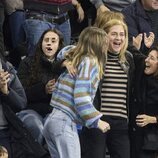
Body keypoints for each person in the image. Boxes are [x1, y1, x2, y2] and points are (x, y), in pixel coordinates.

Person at [43, 26, 110, 158]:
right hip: (64, 123)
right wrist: (96, 121)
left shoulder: (75, 59)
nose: (106, 48)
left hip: (51, 122)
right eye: (105, 43)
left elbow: (64, 52)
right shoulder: (90, 61)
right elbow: (81, 97)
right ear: (97, 44)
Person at [80, 19, 135, 158]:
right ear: (105, 36)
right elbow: (70, 52)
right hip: (99, 119)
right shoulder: (95, 57)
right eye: (114, 34)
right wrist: (64, 62)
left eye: (122, 34)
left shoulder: (128, 58)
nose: (119, 38)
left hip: (121, 121)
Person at [17, 28, 76, 145]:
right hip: (31, 110)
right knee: (36, 126)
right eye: (46, 40)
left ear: (59, 45)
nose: (49, 43)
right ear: (41, 44)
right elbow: (20, 94)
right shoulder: (27, 62)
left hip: (55, 112)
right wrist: (43, 89)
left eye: (53, 41)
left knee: (57, 128)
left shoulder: (67, 66)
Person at [129, 46, 158, 158]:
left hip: (152, 140)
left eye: (152, 58)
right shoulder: (142, 66)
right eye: (148, 56)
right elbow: (132, 50)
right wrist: (144, 47)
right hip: (134, 134)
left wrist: (153, 119)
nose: (147, 60)